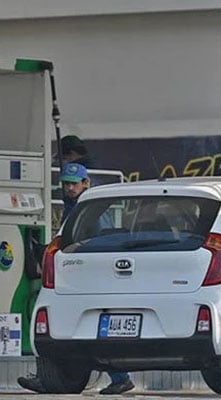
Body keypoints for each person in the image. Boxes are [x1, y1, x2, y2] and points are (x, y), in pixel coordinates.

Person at [17, 163, 135, 395]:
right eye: (66, 183)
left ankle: (117, 377)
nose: (69, 188)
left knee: (69, 324)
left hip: (86, 278)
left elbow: (89, 242)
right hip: (81, 276)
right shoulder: (78, 207)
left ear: (86, 183)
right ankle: (118, 377)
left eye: (74, 183)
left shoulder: (90, 209)